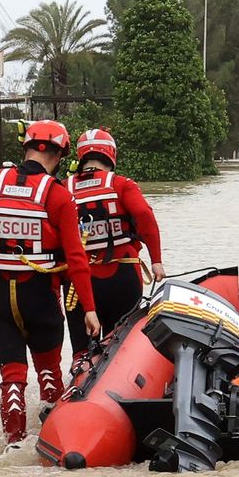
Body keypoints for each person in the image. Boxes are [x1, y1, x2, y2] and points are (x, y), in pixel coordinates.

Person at [0, 120, 101, 445]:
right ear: (60, 155)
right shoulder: (58, 195)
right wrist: (89, 308)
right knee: (48, 372)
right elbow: (76, 257)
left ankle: (13, 444)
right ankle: (53, 441)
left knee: (12, 378)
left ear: (27, 146)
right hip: (41, 298)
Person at [64, 128, 164, 357]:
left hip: (78, 283)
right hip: (122, 274)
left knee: (82, 351)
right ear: (111, 154)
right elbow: (145, 217)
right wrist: (156, 260)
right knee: (118, 347)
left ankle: (78, 385)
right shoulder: (122, 184)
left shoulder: (63, 187)